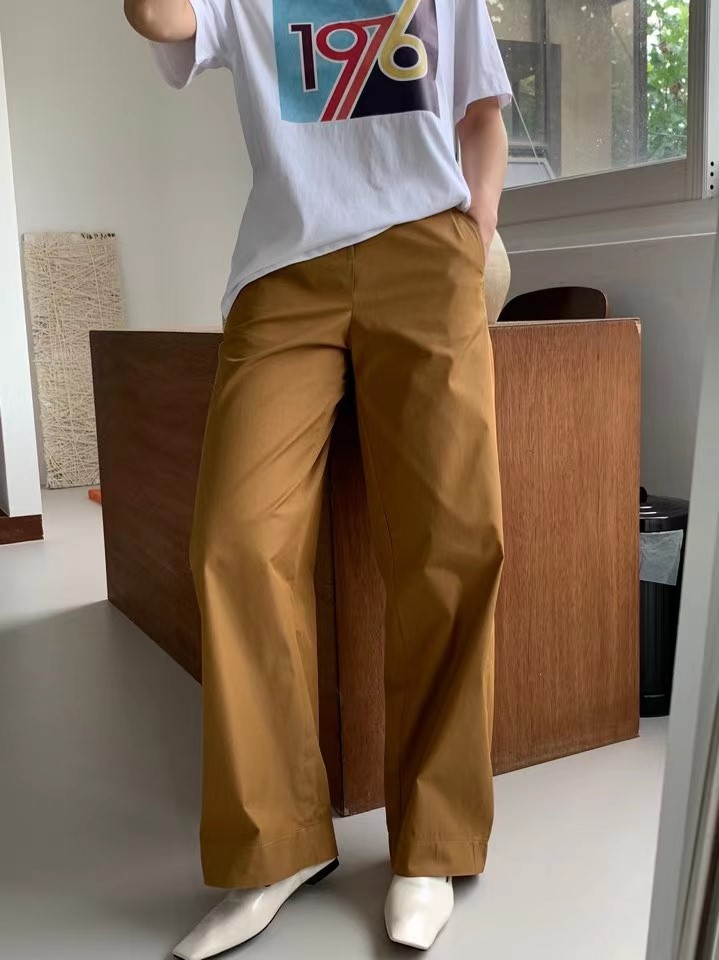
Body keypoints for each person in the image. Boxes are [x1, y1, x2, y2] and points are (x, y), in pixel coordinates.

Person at [125, 0, 511, 956]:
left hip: (424, 244)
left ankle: (432, 841)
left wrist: (473, 235)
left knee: (451, 536)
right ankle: (275, 843)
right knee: (234, 541)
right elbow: (156, 17)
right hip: (283, 269)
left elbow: (480, 115)